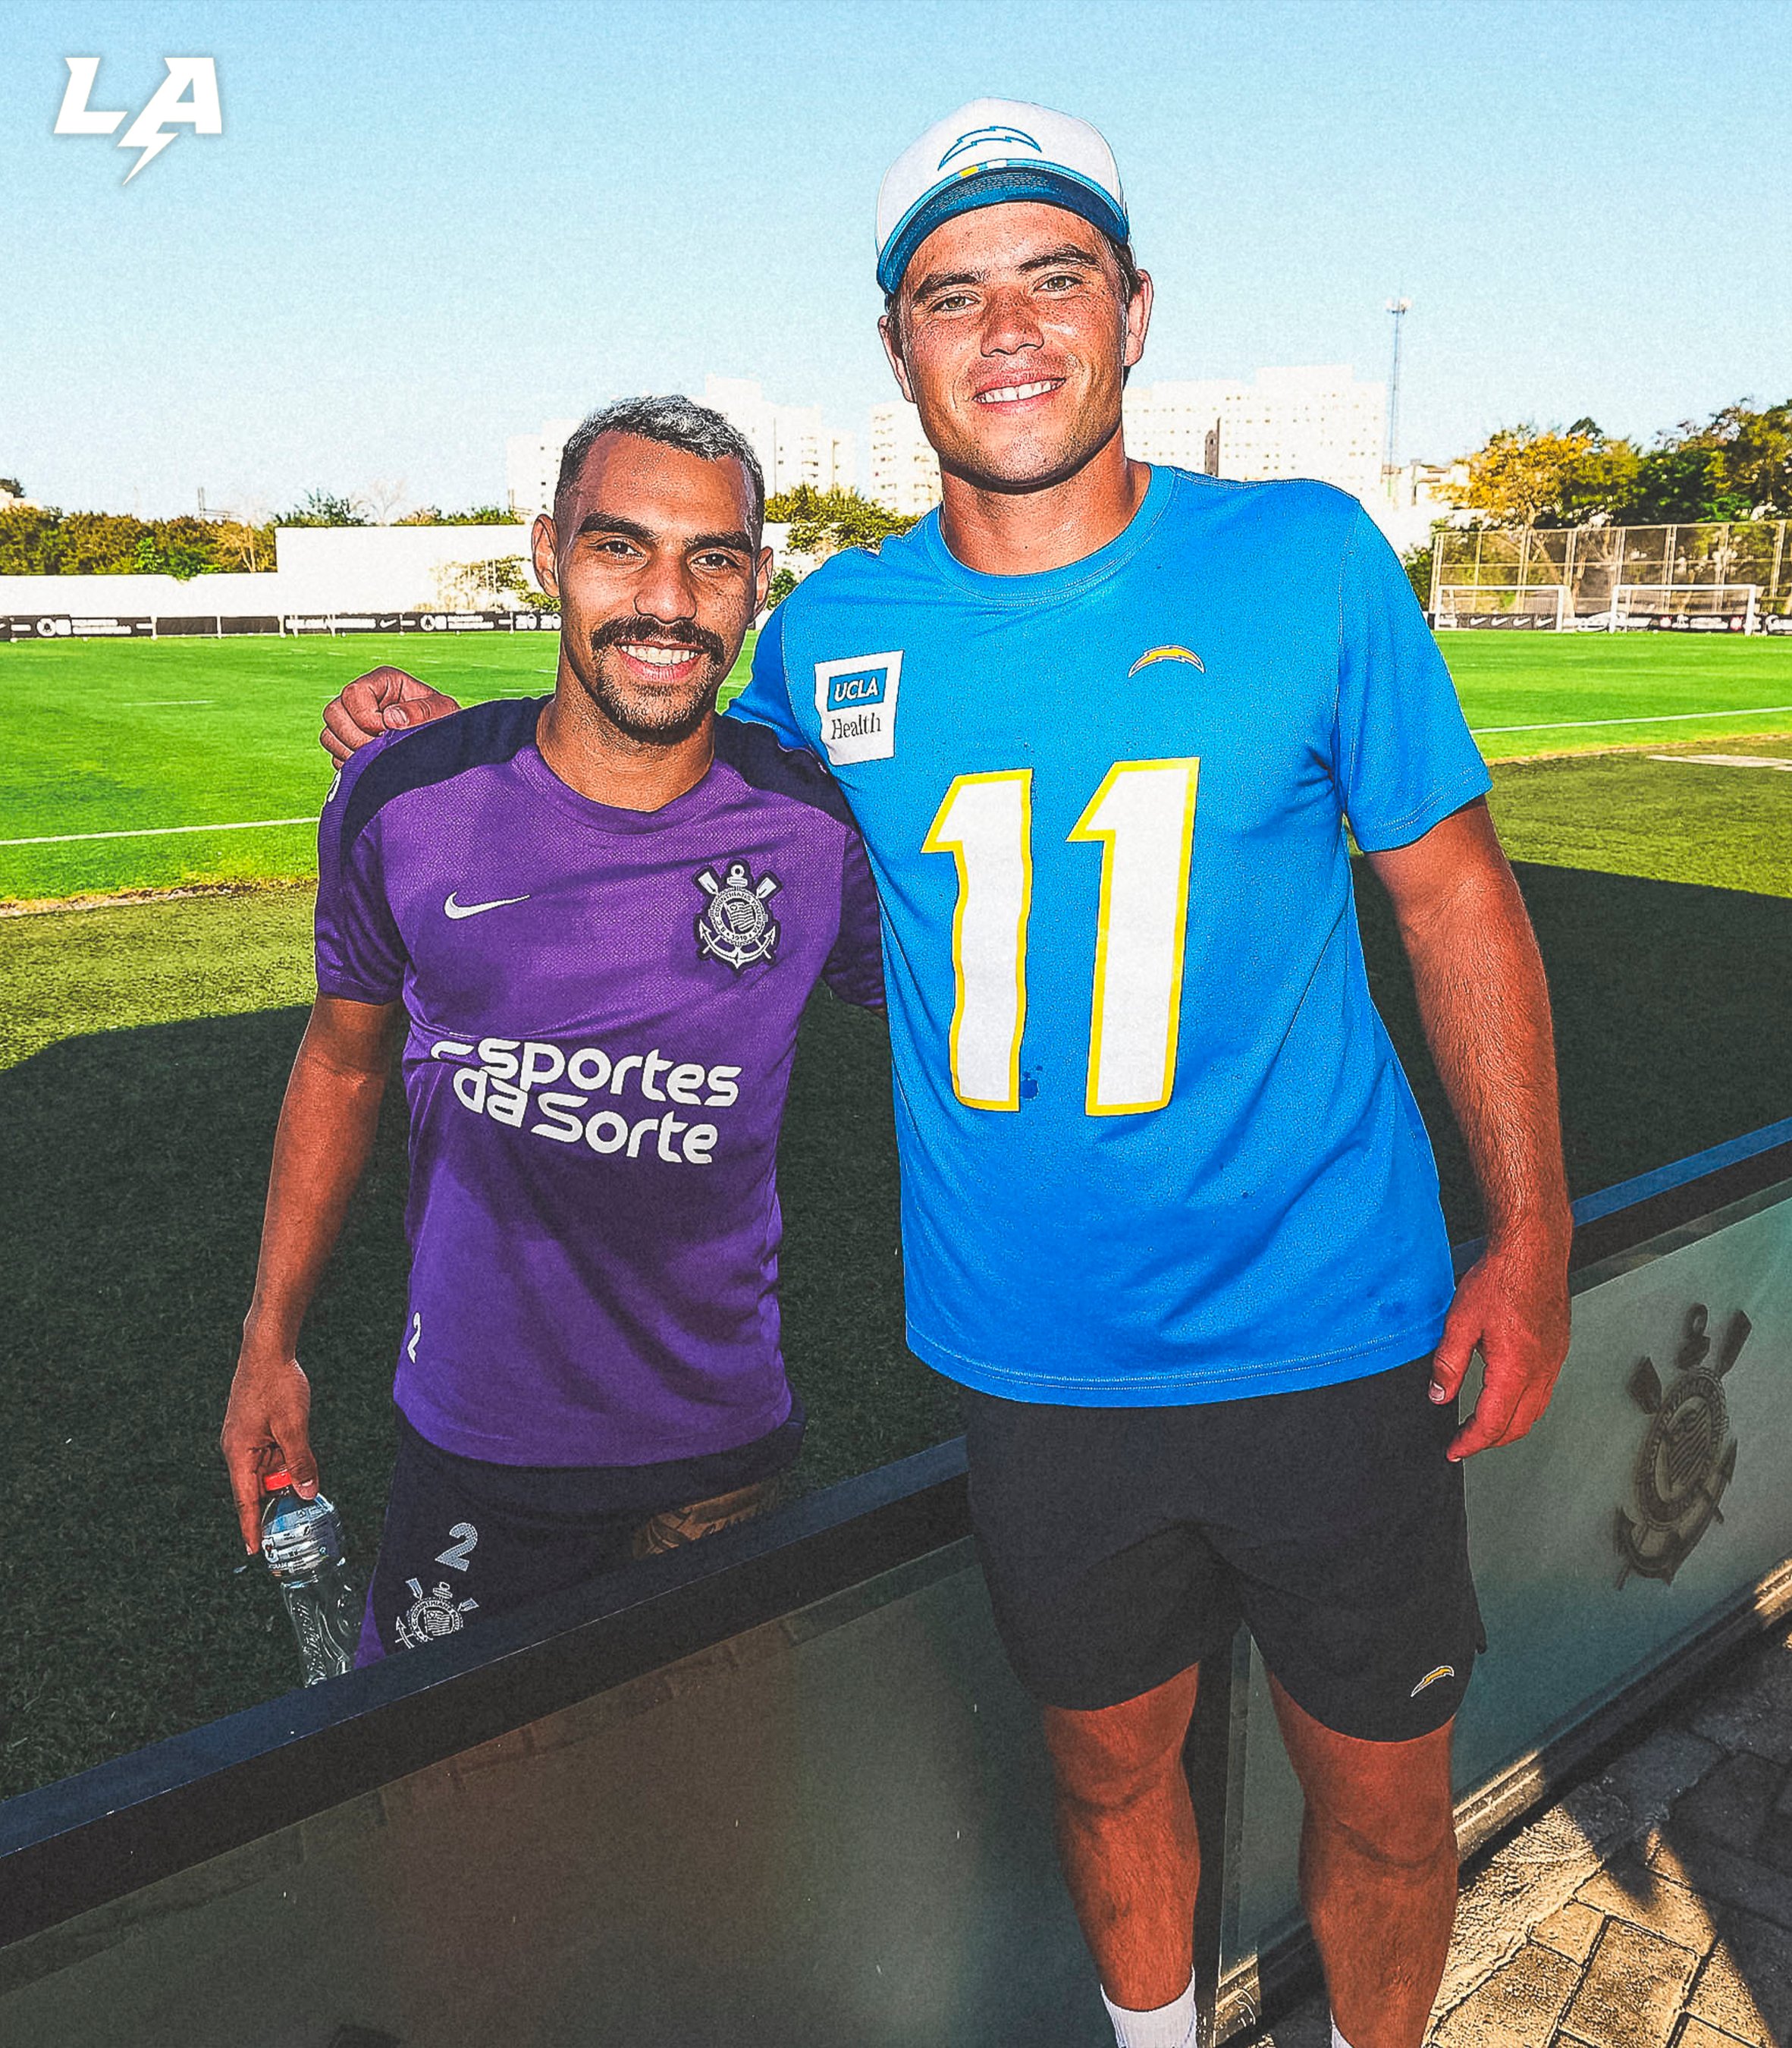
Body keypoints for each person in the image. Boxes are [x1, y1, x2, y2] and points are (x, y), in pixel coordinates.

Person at [319, 102, 1571, 2048]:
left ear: (1135, 312)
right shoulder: (829, 639)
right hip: (1030, 1358)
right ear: (895, 347)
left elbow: (1459, 901)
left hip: (1337, 1333)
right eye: (950, 293)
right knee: (1100, 1776)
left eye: (1053, 277)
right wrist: (433, 744)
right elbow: (644, 756)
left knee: (1394, 1806)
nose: (1007, 330)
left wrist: (1535, 1231)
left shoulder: (1308, 557)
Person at [222, 395, 883, 1667]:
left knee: (715, 1827)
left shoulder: (816, 829)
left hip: (717, 1450)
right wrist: (271, 1345)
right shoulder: (407, 795)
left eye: (715, 559)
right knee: (449, 1821)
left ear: (754, 586)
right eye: (619, 546)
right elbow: (342, 1061)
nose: (669, 601)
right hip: (479, 1438)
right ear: (547, 556)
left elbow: (960, 1031)